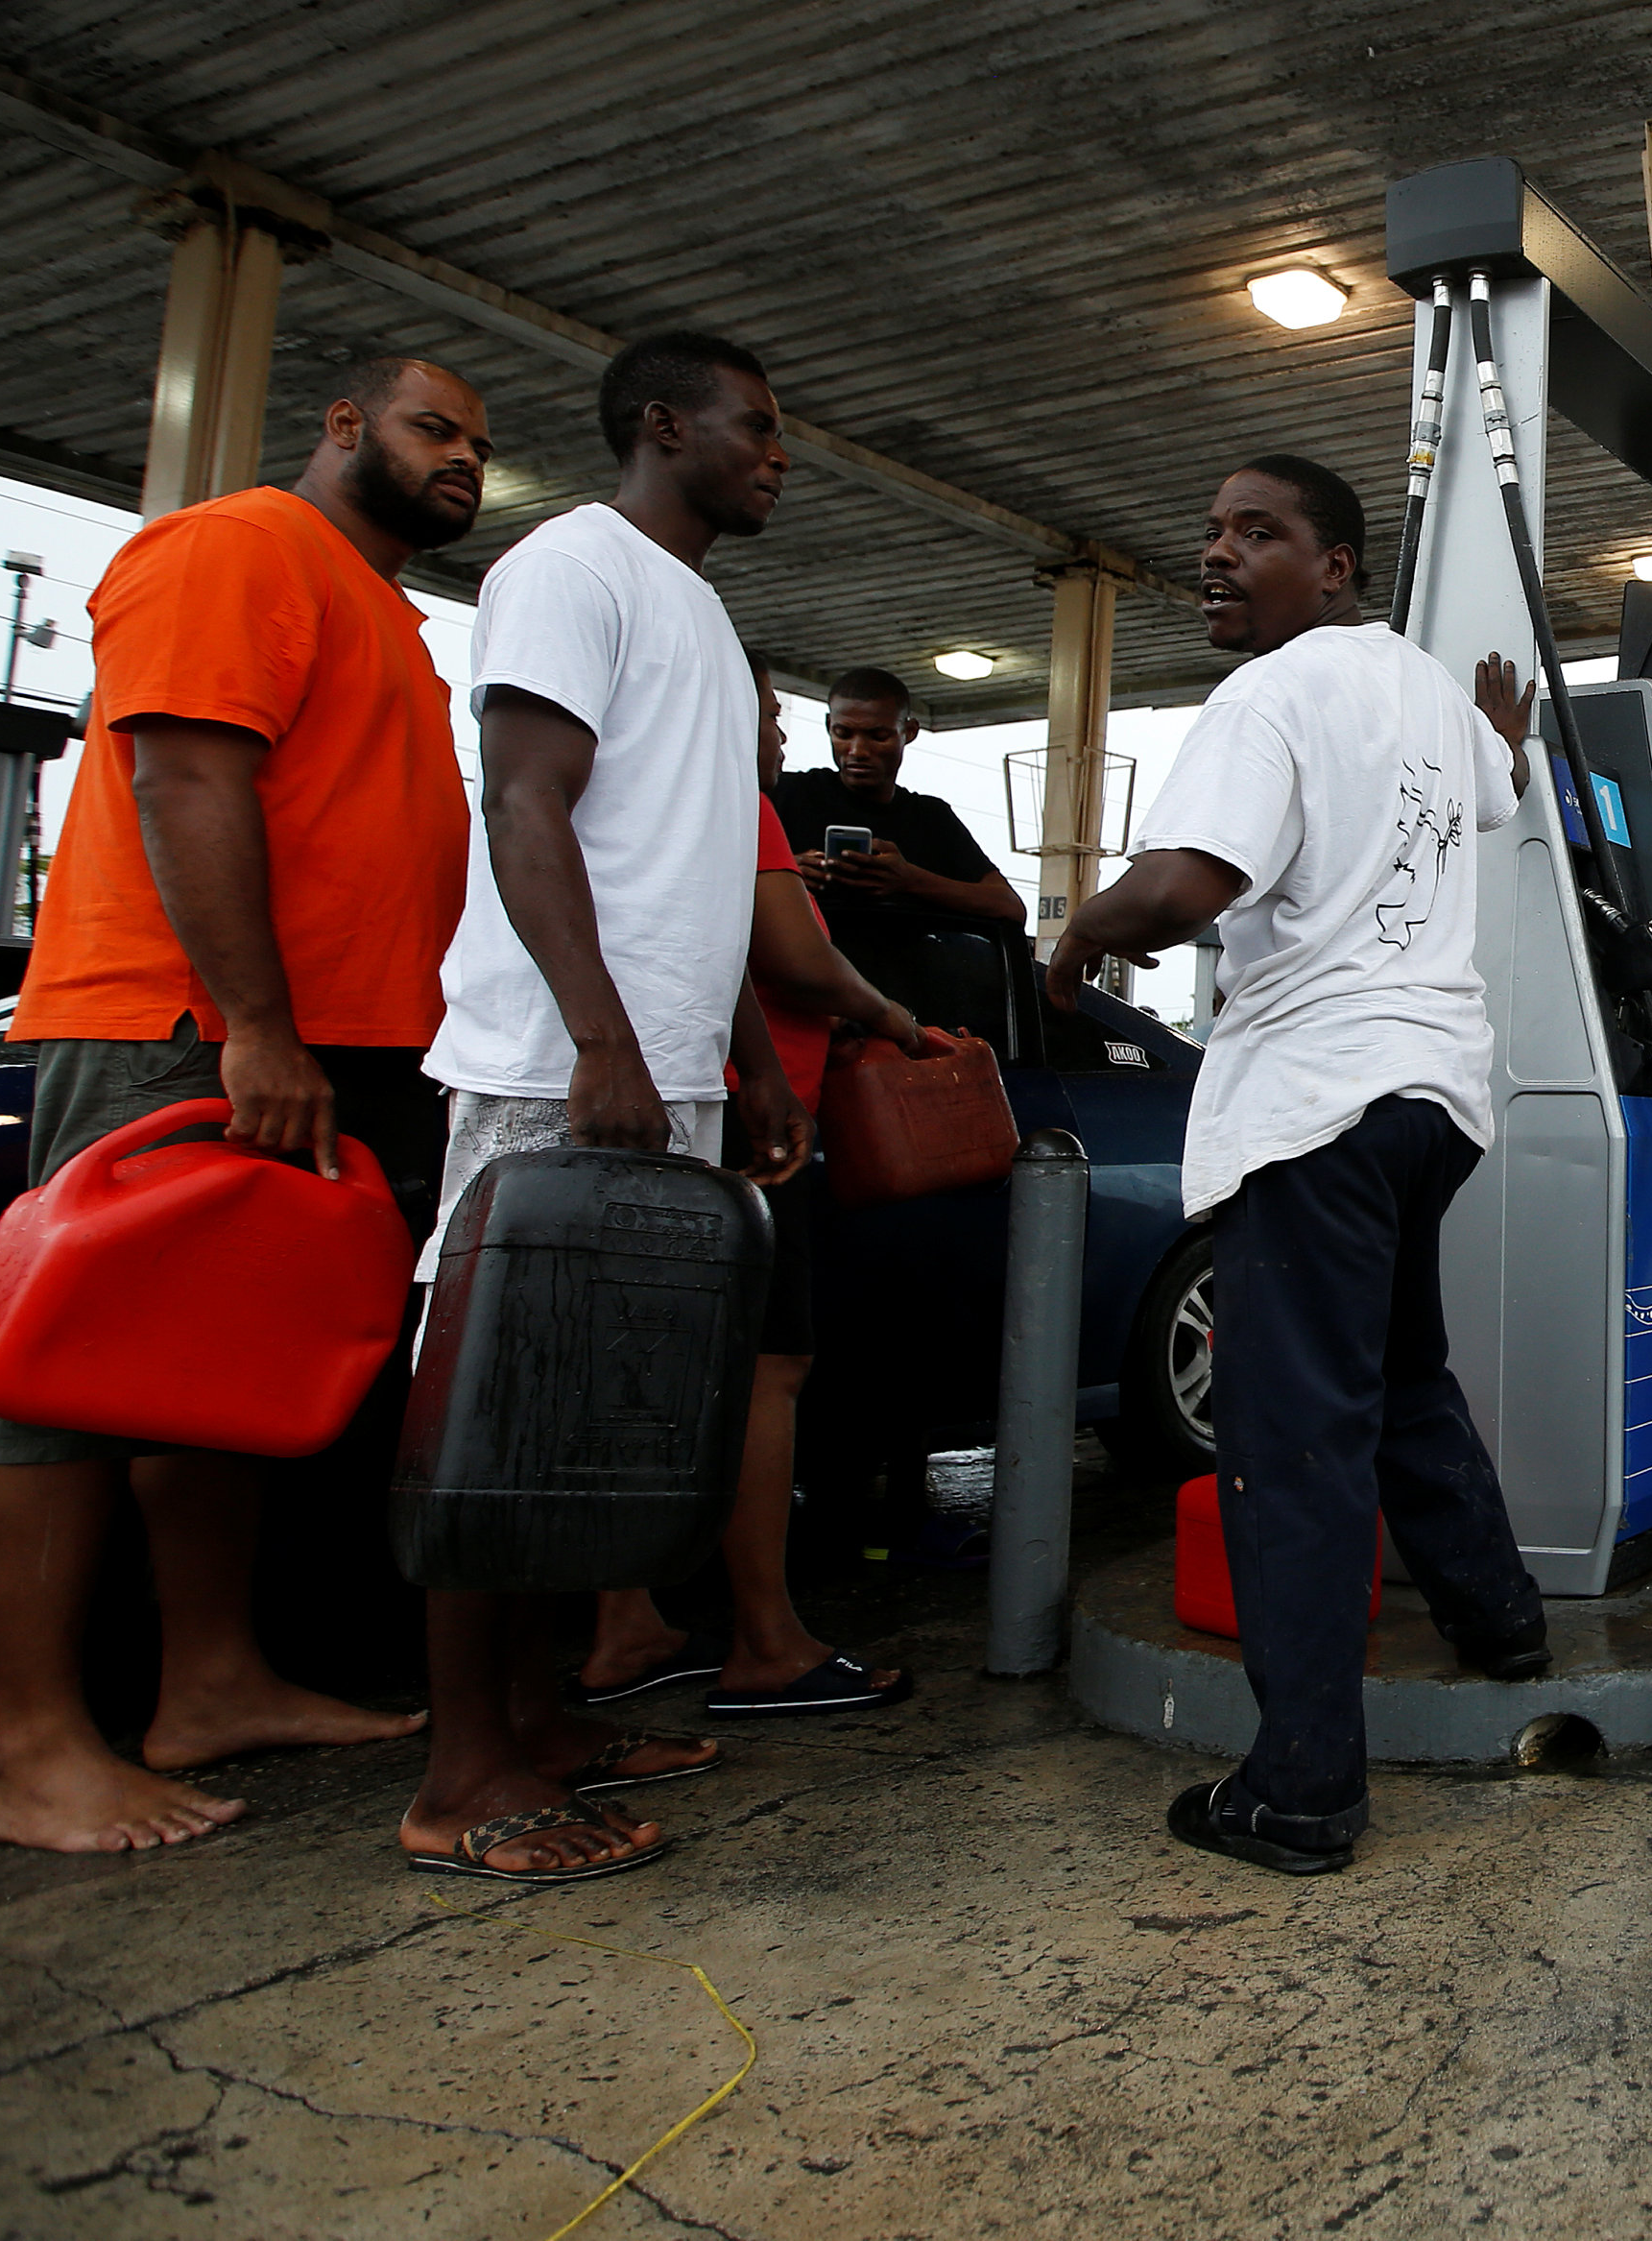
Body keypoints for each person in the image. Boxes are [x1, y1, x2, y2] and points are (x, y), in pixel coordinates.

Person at [0, 359, 489, 1856]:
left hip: (322, 1044)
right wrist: (256, 1025)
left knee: (218, 1375)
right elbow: (187, 772)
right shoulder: (234, 545)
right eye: (431, 430)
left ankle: (207, 1682)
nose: (460, 461)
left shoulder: (373, 603)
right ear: (342, 426)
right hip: (185, 1028)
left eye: (476, 447)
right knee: (71, 1376)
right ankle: (35, 1751)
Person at [1046, 454, 1546, 1878]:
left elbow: (1192, 881)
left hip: (1319, 1103)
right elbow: (1500, 797)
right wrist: (1499, 731)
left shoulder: (1267, 694)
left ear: (1335, 565)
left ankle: (1303, 1787)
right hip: (1434, 1102)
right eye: (1209, 532)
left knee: (1293, 1442)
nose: (1217, 555)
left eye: (1255, 535)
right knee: (1395, 1376)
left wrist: (1082, 929)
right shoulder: (1434, 700)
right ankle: (1500, 1619)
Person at [403, 331, 812, 1884]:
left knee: (581, 1421)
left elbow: (692, 871)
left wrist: (747, 1058)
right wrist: (599, 1040)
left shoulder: (696, 608)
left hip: (657, 1071)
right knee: (496, 1411)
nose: (777, 453)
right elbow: (524, 805)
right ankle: (461, 1771)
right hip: (552, 1063)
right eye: (753, 427)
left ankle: (540, 1720)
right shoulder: (569, 566)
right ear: (661, 425)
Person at [580, 646, 923, 1717]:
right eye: (769, 716)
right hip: (740, 1114)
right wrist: (899, 1022)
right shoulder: (737, 802)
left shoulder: (624, 796)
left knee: (641, 1365)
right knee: (767, 1370)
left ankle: (623, 1623)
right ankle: (766, 1641)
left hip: (659, 1095)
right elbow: (791, 959)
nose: (781, 737)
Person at [776, 667, 1025, 928]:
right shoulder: (785, 795)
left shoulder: (931, 818)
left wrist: (909, 880)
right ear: (829, 726)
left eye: (878, 736)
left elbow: (1009, 907)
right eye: (843, 734)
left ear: (909, 731)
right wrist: (782, 875)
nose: (857, 751)